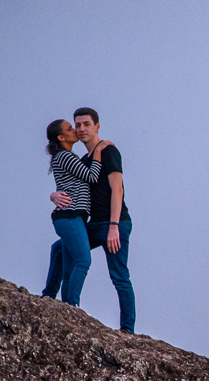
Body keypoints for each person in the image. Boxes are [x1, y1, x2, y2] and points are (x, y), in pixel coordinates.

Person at [42, 107, 136, 334]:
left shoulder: (109, 152)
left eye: (86, 124)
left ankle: (128, 331)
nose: (81, 129)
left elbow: (117, 191)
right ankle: (49, 300)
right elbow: (69, 182)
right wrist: (53, 195)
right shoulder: (84, 159)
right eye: (77, 125)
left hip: (115, 223)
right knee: (59, 249)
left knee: (119, 276)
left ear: (97, 127)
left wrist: (114, 226)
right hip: (94, 224)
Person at [43, 119, 109, 319]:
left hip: (72, 217)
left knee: (67, 262)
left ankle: (54, 301)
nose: (76, 131)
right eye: (70, 129)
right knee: (83, 259)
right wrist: (98, 151)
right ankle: (72, 306)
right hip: (69, 216)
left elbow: (71, 183)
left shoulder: (66, 157)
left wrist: (53, 194)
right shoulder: (65, 156)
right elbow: (92, 176)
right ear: (61, 137)